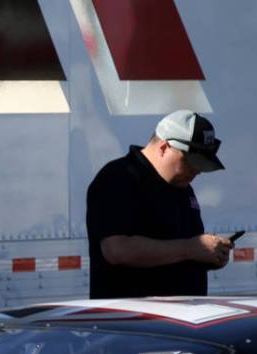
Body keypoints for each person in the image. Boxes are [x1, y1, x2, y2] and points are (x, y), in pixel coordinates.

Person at [86, 109, 232, 299]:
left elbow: (181, 250)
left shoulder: (181, 185)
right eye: (191, 162)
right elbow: (116, 250)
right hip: (134, 322)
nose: (197, 171)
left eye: (202, 164)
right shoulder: (119, 178)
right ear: (164, 147)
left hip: (181, 320)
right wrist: (191, 248)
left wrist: (210, 255)